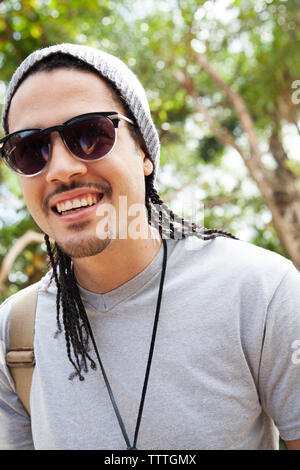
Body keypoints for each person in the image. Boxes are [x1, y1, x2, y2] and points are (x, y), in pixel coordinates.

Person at [0, 43, 300, 451]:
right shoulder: (15, 335)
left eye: (90, 134)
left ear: (143, 148)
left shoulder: (261, 293)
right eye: (31, 149)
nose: (62, 169)